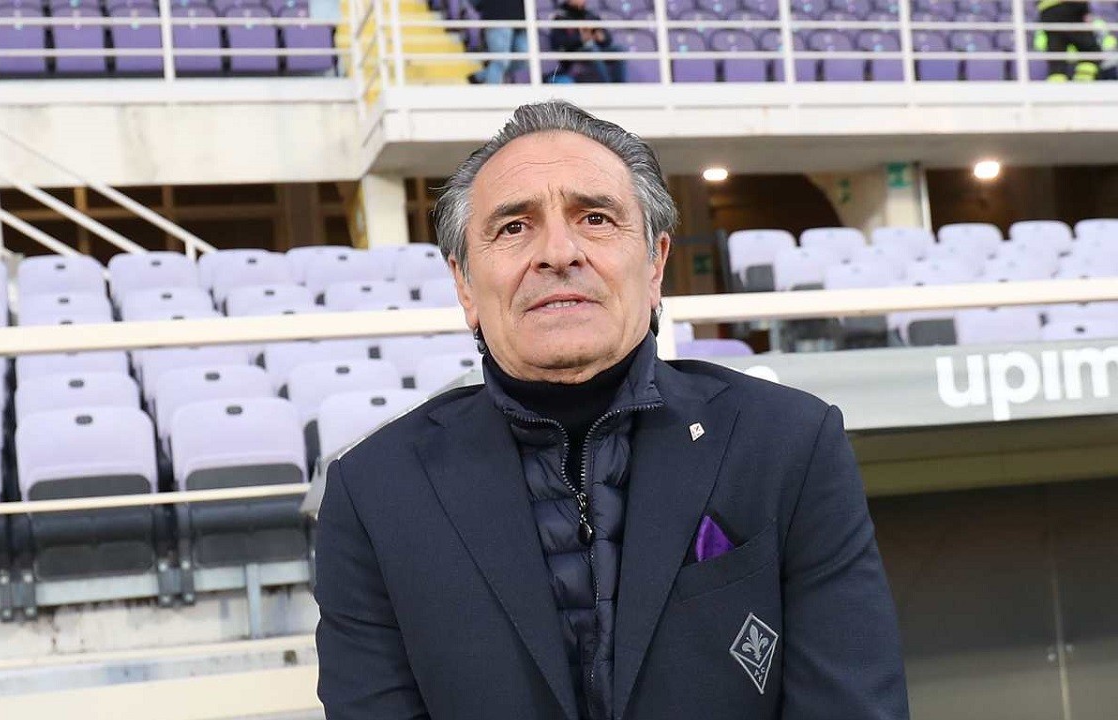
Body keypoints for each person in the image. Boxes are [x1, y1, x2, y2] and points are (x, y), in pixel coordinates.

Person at [312, 100, 909, 720]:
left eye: (595, 218)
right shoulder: (373, 495)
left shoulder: (791, 444)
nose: (558, 252)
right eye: (513, 227)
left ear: (655, 265)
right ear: (464, 283)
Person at [547, 0, 626, 83]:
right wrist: (580, 39)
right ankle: (606, 85)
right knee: (591, 47)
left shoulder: (590, 15)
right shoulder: (561, 18)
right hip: (574, 54)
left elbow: (607, 38)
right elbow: (558, 43)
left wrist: (602, 37)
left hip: (596, 50)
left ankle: (619, 84)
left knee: (619, 49)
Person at [1036, 0, 1101, 81]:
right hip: (1069, 7)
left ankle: (1056, 84)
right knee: (1090, 50)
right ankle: (1083, 82)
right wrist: (1085, 10)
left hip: (1047, 10)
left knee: (1057, 53)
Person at [468, 0, 527, 83]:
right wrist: (485, 7)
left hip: (521, 19)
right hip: (497, 17)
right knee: (500, 62)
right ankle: (491, 89)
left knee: (524, 59)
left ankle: (481, 76)